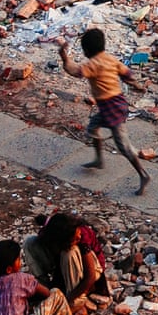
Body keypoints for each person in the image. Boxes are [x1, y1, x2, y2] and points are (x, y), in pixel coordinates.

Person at [56, 28, 149, 195]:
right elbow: (127, 74)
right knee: (93, 127)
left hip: (111, 108)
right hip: (116, 104)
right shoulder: (110, 59)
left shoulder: (93, 64)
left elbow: (74, 71)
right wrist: (137, 85)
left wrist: (64, 57)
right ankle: (99, 160)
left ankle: (143, 175)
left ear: (87, 50)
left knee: (124, 146)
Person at [22, 214, 107, 305]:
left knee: (69, 251)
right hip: (62, 263)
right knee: (30, 242)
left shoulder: (82, 238)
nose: (78, 237)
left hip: (88, 273)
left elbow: (90, 276)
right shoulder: (51, 234)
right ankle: (45, 285)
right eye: (74, 239)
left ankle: (75, 296)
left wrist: (68, 299)